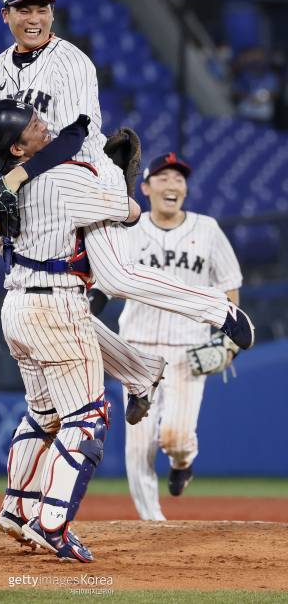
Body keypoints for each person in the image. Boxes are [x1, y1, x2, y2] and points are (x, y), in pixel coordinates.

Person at [0, 0, 255, 354]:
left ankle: (218, 309)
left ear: (53, 14)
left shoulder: (72, 62)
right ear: (6, 15)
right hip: (30, 186)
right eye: (25, 9)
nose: (34, 17)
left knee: (117, 277)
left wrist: (17, 177)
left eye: (42, 8)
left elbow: (72, 136)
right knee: (47, 294)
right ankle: (140, 373)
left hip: (82, 174)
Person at [0, 98, 165, 562]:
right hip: (56, 304)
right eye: (34, 125)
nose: (45, 126)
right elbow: (131, 212)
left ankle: (17, 509)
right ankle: (53, 523)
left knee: (44, 415)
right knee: (86, 416)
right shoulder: (59, 178)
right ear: (19, 148)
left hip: (16, 306)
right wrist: (118, 181)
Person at [117, 153, 243, 521]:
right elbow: (106, 284)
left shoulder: (207, 229)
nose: (173, 184)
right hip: (137, 350)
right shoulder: (129, 231)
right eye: (163, 177)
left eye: (179, 179)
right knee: (138, 443)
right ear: (145, 188)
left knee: (174, 436)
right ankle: (151, 523)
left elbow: (229, 286)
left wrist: (229, 341)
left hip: (189, 349)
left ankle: (183, 462)